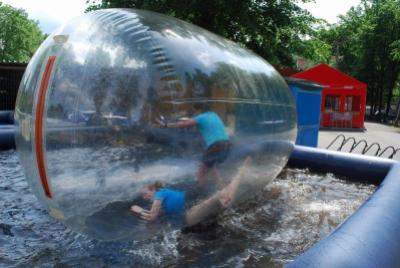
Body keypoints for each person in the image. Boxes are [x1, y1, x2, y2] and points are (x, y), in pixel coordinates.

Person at [131, 157, 251, 225]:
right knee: (225, 202)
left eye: (145, 194)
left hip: (190, 200)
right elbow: (159, 214)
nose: (144, 197)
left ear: (153, 189)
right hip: (190, 201)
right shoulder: (161, 200)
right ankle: (239, 172)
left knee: (222, 200)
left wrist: (138, 210)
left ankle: (216, 187)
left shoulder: (159, 193)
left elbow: (152, 218)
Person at [156, 103, 230, 189]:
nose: (194, 113)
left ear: (198, 110)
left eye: (194, 111)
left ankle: (201, 191)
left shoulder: (200, 117)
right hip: (227, 145)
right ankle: (221, 186)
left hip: (216, 145)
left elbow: (182, 125)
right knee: (211, 166)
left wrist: (165, 125)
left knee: (200, 172)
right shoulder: (214, 114)